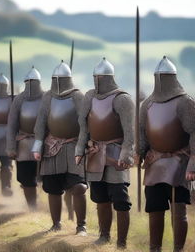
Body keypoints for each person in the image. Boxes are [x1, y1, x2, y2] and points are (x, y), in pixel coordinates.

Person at [75, 57, 134, 248]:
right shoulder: (89, 97)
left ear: (106, 77)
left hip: (116, 154)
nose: (96, 80)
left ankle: (122, 242)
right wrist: (79, 149)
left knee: (120, 199)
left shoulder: (122, 99)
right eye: (95, 77)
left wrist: (126, 154)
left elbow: (129, 132)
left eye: (99, 77)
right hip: (95, 152)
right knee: (100, 197)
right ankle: (104, 236)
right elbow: (84, 126)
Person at [139, 56, 195, 252]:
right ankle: (155, 249)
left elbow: (193, 133)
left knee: (178, 209)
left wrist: (192, 163)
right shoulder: (147, 104)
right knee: (155, 208)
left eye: (165, 76)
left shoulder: (185, 102)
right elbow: (143, 134)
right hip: (154, 162)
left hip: (180, 162)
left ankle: (178, 250)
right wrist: (139, 154)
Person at [32, 61, 87, 235]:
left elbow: (85, 123)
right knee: (52, 188)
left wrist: (83, 144)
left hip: (73, 146)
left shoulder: (78, 96)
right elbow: (40, 122)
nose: (58, 82)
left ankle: (81, 226)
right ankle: (56, 224)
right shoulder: (48, 97)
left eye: (60, 79)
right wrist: (38, 145)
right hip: (51, 147)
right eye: (55, 79)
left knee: (79, 187)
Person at [7, 66, 43, 210]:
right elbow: (11, 125)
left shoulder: (47, 98)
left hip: (44, 143)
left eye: (33, 82)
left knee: (47, 178)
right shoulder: (18, 100)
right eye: (29, 82)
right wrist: (10, 147)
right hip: (23, 145)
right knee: (26, 179)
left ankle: (45, 205)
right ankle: (32, 207)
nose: (31, 85)